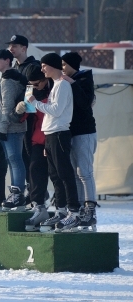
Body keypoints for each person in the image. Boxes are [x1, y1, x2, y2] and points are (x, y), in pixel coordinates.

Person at [27, 53, 81, 232]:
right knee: (55, 176)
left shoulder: (63, 85)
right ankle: (61, 210)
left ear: (53, 66)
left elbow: (56, 111)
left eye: (44, 66)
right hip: (50, 134)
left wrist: (35, 103)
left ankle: (74, 212)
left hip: (59, 133)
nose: (42, 69)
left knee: (65, 173)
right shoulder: (56, 85)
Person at [61, 52, 98, 230]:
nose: (62, 68)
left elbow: (85, 102)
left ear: (72, 65)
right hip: (71, 132)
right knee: (75, 173)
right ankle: (81, 209)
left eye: (64, 65)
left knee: (85, 172)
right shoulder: (65, 81)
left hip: (85, 132)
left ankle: (90, 210)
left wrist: (73, 84)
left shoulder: (83, 79)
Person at [0, 49, 28, 210]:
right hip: (12, 126)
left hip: (12, 127)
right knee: (13, 160)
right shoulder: (6, 78)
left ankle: (17, 192)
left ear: (7, 60)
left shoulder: (8, 80)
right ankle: (16, 191)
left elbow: (7, 107)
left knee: (15, 159)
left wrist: (2, 129)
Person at [8, 34, 40, 202]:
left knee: (30, 156)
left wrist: (23, 108)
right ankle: (29, 189)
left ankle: (35, 191)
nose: (11, 48)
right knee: (18, 157)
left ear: (24, 48)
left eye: (15, 45)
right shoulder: (13, 68)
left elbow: (32, 91)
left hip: (30, 119)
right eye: (10, 45)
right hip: (16, 120)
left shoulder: (33, 67)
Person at [19, 68, 52, 231]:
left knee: (58, 175)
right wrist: (21, 110)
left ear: (45, 80)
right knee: (34, 171)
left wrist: (34, 103)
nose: (34, 87)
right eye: (31, 85)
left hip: (52, 138)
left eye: (36, 84)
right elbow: (26, 115)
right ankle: (39, 206)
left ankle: (66, 209)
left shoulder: (53, 90)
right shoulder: (32, 93)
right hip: (36, 140)